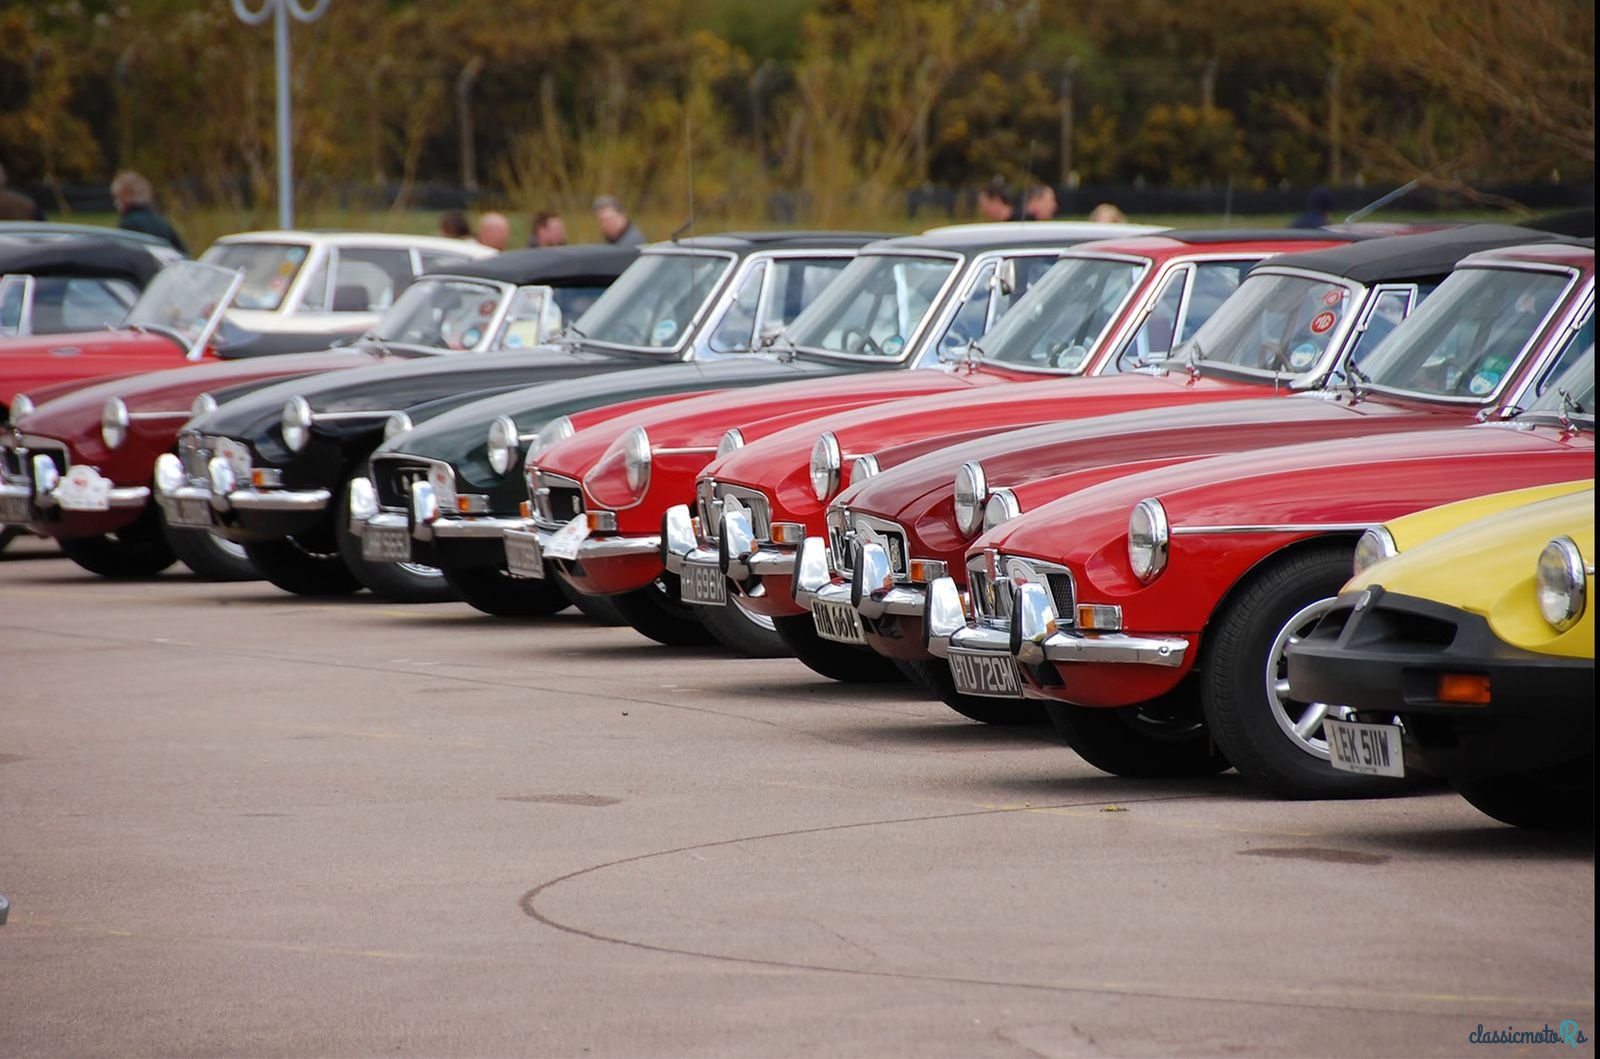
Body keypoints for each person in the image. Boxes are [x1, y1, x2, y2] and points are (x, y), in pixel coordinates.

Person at [110, 171, 186, 253]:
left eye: (117, 198)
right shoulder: (161, 221)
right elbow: (182, 251)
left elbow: (124, 253)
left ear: (126, 198)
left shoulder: (128, 224)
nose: (115, 203)